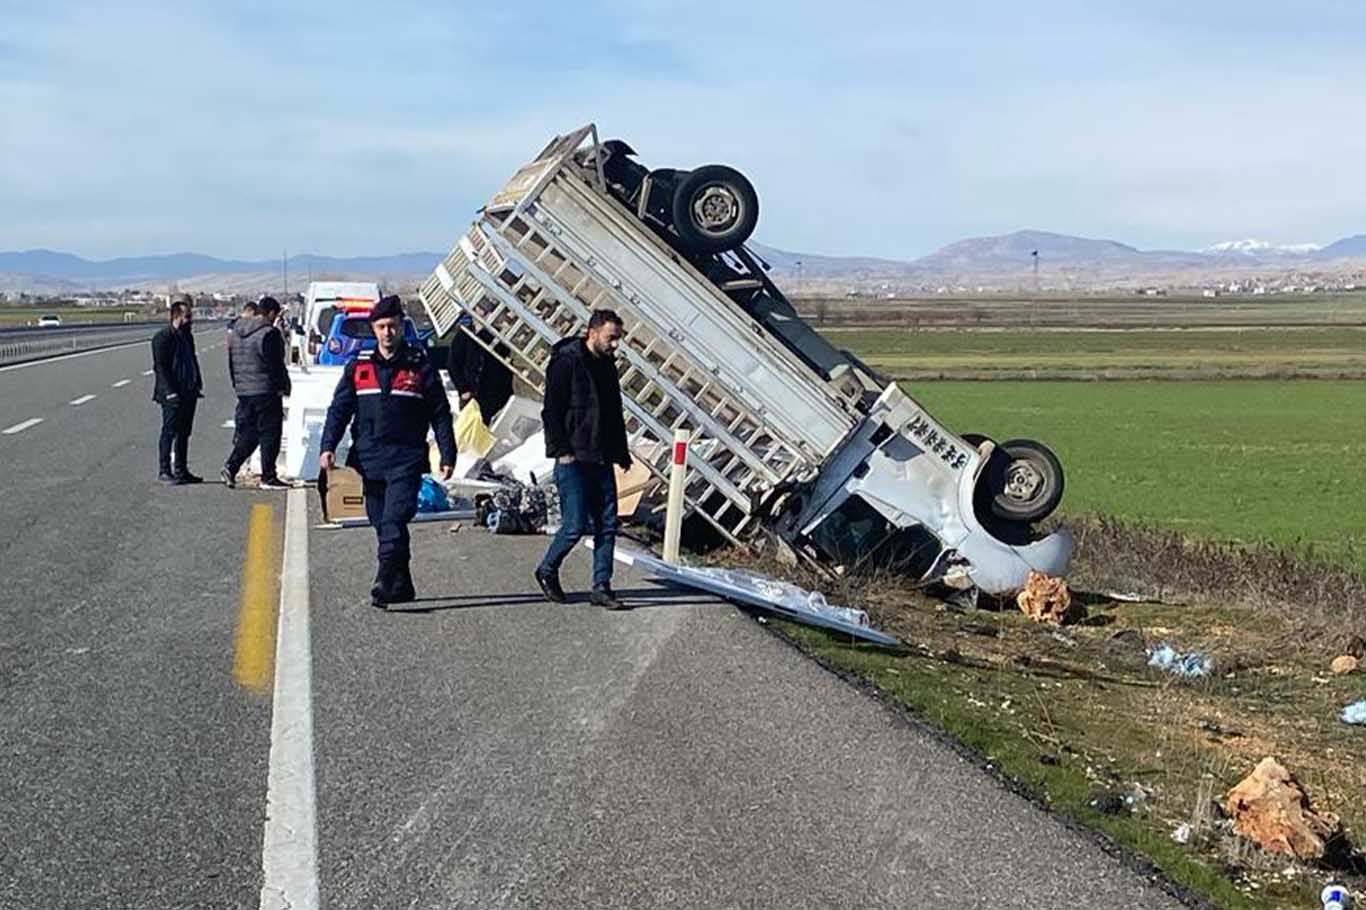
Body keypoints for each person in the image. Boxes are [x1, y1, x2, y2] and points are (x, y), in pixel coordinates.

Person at [319, 295, 456, 607]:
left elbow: (440, 413)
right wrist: (328, 446)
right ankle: (402, 583)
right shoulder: (358, 368)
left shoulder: (419, 368)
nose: (387, 333)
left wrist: (447, 454)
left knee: (394, 520)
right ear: (373, 329)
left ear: (401, 328)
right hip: (368, 460)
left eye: (392, 326)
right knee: (381, 523)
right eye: (381, 327)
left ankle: (382, 580)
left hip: (405, 459)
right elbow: (339, 410)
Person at [534, 309, 632, 609]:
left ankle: (602, 586)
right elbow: (551, 410)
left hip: (601, 456)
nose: (615, 345)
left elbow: (613, 411)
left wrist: (621, 451)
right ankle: (547, 569)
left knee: (607, 523)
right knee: (575, 524)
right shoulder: (567, 362)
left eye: (618, 339)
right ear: (592, 332)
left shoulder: (607, 366)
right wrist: (561, 450)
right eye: (611, 338)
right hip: (573, 457)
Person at [222, 295, 292, 490]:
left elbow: (231, 361)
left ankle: (231, 466)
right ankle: (268, 476)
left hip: (244, 390)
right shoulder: (269, 333)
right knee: (270, 433)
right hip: (266, 390)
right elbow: (275, 365)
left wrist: (237, 384)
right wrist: (283, 386)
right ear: (271, 313)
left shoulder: (236, 331)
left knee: (251, 432)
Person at [150, 299, 204, 484]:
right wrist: (170, 391)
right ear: (177, 316)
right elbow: (161, 368)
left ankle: (181, 470)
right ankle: (165, 470)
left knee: (184, 432)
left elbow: (191, 360)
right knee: (169, 430)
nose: (190, 320)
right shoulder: (163, 338)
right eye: (187, 316)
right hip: (172, 393)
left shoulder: (187, 336)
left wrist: (197, 382)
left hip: (189, 390)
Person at [447, 313, 514, 424]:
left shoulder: (499, 337)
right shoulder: (465, 335)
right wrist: (463, 389)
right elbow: (453, 364)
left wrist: (506, 393)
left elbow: (505, 367)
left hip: (494, 395)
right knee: (469, 430)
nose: (483, 314)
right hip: (472, 394)